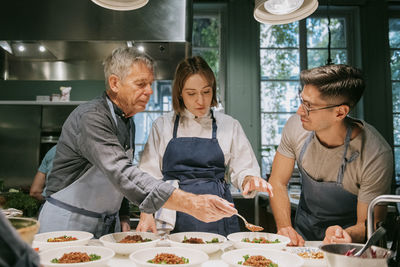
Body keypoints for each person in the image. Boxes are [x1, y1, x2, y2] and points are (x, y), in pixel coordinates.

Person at [38, 47, 237, 238]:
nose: (150, 91)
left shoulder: (127, 121)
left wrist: (123, 214)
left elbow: (117, 181)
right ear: (115, 83)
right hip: (67, 223)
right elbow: (121, 172)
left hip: (107, 224)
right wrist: (191, 203)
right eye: (141, 84)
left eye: (151, 83)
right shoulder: (91, 117)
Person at [136, 56, 273, 236]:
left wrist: (249, 180)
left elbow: (244, 169)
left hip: (216, 214)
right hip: (173, 213)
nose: (200, 101)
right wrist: (146, 213)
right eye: (191, 93)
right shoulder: (163, 125)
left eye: (206, 92)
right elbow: (148, 176)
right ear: (180, 93)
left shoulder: (228, 125)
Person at [268, 64, 393, 245]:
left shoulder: (376, 154)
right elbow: (277, 181)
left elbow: (369, 225)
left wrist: (344, 235)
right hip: (303, 235)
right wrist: (285, 228)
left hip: (352, 246)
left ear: (340, 112)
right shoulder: (296, 126)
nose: (299, 111)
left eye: (309, 106)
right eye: (302, 100)